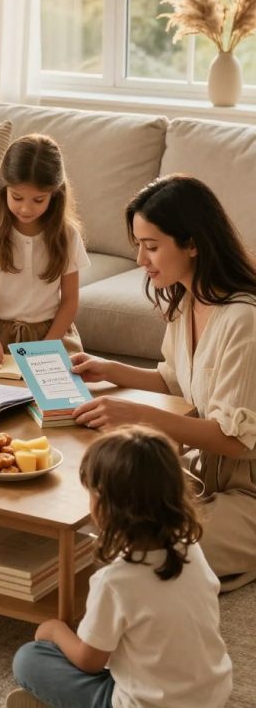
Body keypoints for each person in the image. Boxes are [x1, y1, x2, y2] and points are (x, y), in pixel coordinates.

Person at [70, 174, 256, 591]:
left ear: (193, 243)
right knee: (100, 528)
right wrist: (110, 369)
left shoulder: (244, 321)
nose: (141, 259)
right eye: (138, 245)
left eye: (151, 246)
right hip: (201, 472)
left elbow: (234, 440)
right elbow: (176, 382)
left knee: (144, 556)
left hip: (249, 493)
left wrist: (139, 415)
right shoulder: (187, 301)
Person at [7, 426, 232, 708]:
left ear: (106, 507)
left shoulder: (116, 581)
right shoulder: (189, 548)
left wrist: (55, 631)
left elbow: (89, 661)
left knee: (29, 659)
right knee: (130, 646)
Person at [0, 133, 89, 364]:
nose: (25, 209)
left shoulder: (67, 235)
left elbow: (70, 299)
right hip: (1, 336)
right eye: (17, 197)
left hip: (53, 335)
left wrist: (49, 345)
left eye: (38, 200)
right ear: (4, 188)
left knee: (61, 395)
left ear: (55, 193)